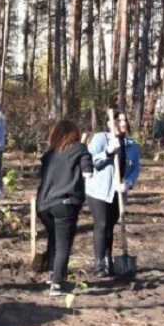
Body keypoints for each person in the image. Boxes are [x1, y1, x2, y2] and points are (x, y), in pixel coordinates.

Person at [36, 120, 94, 296]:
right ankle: (57, 284)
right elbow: (88, 174)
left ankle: (53, 273)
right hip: (65, 203)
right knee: (63, 245)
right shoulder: (80, 148)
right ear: (73, 133)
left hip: (44, 205)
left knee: (54, 239)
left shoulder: (49, 155)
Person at [86, 110, 142, 277]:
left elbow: (136, 168)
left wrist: (128, 183)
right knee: (102, 225)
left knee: (110, 227)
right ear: (111, 123)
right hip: (98, 191)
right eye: (120, 120)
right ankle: (99, 263)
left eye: (125, 120)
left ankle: (108, 259)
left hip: (118, 193)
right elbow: (89, 161)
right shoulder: (101, 139)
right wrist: (108, 152)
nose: (123, 123)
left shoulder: (131, 144)